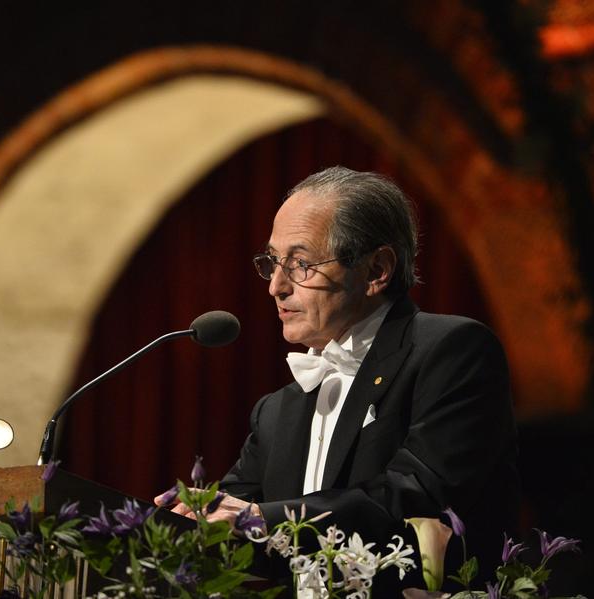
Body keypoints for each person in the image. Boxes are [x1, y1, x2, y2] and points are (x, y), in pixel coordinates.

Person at [156, 166, 519, 592]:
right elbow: (234, 513)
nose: (275, 286)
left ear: (376, 270)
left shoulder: (451, 351)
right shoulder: (278, 411)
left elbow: (410, 498)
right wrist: (185, 518)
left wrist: (256, 518)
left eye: (301, 264)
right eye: (274, 262)